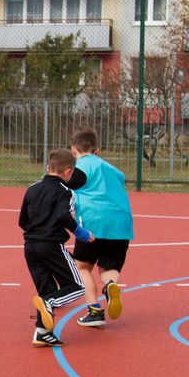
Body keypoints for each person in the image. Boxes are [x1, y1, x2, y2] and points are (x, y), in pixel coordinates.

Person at [19, 148, 93, 347]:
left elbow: (22, 221)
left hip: (30, 247)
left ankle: (42, 332)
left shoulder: (32, 189)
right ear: (68, 172)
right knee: (77, 286)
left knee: (47, 290)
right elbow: (63, 216)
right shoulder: (65, 192)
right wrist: (81, 233)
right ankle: (48, 304)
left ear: (47, 167)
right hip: (51, 245)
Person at [70, 128, 132, 328]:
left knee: (82, 266)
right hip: (120, 224)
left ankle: (95, 311)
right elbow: (122, 179)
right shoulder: (113, 169)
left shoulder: (77, 169)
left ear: (73, 150)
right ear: (97, 150)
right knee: (109, 266)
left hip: (92, 223)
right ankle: (110, 286)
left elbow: (66, 188)